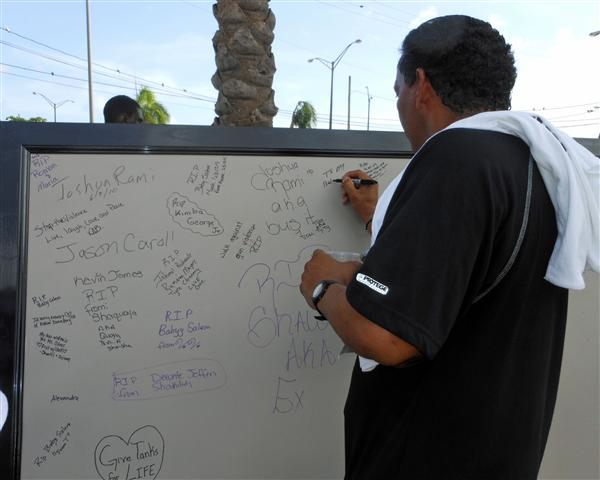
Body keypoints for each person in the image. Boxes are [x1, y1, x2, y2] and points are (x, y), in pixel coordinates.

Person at [300, 15, 599, 479]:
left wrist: (323, 288)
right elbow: (471, 269)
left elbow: (387, 337)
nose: (398, 102)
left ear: (420, 85)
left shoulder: (454, 159)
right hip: (497, 450)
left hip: (427, 455)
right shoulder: (533, 162)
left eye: (397, 88)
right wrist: (378, 220)